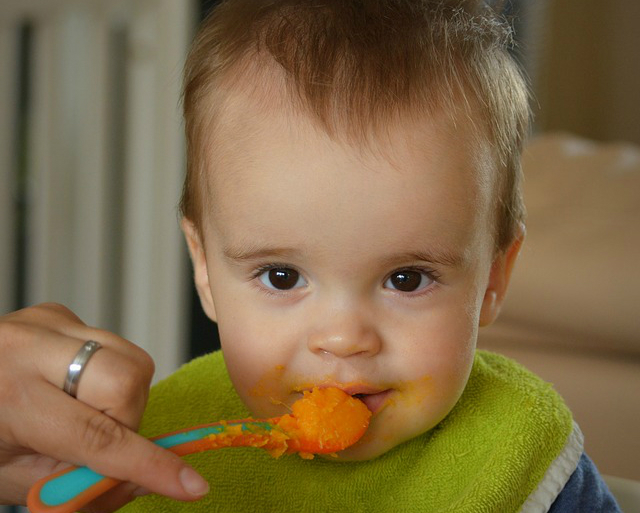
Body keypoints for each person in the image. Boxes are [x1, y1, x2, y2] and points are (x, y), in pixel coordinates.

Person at [0, 0, 621, 511]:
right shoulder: (153, 441)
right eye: (281, 275)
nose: (344, 339)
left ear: (494, 277)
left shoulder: (521, 458)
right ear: (206, 270)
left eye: (407, 278)